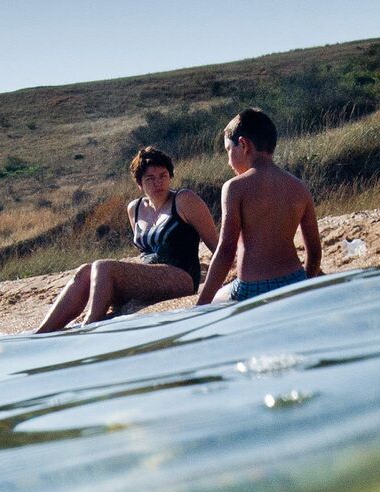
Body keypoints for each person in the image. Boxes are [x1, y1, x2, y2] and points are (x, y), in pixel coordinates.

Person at [34, 146, 218, 333]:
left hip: (181, 276)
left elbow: (216, 246)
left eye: (163, 176)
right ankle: (41, 334)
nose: (158, 183)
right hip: (148, 277)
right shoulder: (135, 209)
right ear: (139, 184)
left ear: (170, 176)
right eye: (150, 178)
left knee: (103, 267)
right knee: (85, 272)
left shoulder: (184, 200)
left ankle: (89, 327)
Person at [197, 108, 321, 305]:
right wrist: (304, 284)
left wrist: (200, 305)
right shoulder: (299, 187)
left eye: (228, 150)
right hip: (295, 280)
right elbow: (314, 252)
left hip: (253, 288)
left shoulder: (235, 188)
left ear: (243, 144)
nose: (229, 162)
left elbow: (226, 251)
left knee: (218, 297)